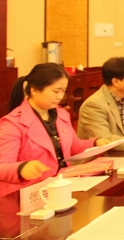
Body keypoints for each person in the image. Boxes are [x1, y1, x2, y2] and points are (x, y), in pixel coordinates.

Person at [0, 64, 109, 196]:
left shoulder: (61, 114)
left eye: (63, 91)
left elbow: (72, 146)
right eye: (56, 91)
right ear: (35, 90)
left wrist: (94, 143)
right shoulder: (12, 124)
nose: (60, 96)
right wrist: (21, 169)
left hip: (61, 186)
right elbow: (2, 166)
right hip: (28, 194)